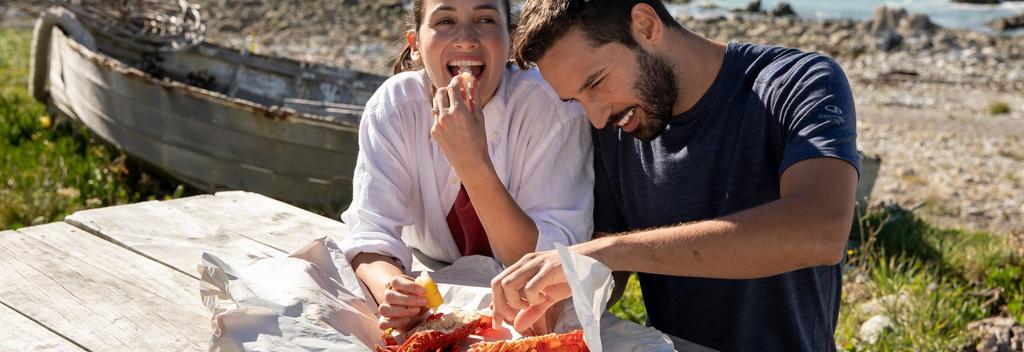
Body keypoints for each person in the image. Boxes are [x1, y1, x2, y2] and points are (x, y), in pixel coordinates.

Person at [489, 1, 860, 350]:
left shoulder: (799, 82)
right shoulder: (615, 126)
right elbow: (610, 268)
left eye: (596, 83)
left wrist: (603, 253)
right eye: (577, 100)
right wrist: (562, 294)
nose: (598, 117)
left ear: (646, 26)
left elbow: (821, 230)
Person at [339, 0, 594, 333]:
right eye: (445, 21)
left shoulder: (552, 111)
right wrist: (395, 290)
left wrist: (472, 162)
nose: (466, 39)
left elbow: (546, 265)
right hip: (431, 275)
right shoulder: (395, 107)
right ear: (415, 46)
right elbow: (371, 234)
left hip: (533, 311)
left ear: (511, 40)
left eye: (486, 19)